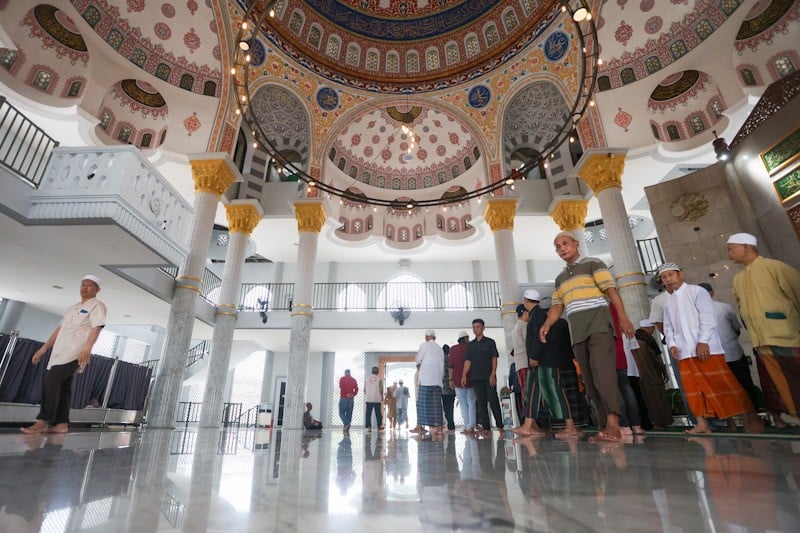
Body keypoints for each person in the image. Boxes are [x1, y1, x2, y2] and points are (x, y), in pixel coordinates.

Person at [539, 231, 635, 442]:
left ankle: (614, 424)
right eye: (557, 246)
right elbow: (557, 306)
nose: (562, 248)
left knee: (603, 373)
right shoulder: (560, 278)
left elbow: (611, 292)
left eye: (565, 243)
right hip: (578, 331)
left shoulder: (593, 263)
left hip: (599, 325)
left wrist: (623, 318)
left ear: (576, 244)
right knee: (590, 379)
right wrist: (547, 324)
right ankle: (603, 426)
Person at [659, 263, 763, 434]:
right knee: (694, 390)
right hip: (685, 353)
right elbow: (668, 327)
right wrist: (672, 345)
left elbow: (707, 317)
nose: (668, 279)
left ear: (681, 275)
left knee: (724, 385)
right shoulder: (669, 302)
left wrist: (703, 341)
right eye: (664, 277)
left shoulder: (696, 292)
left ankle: (750, 418)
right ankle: (702, 423)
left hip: (706, 350)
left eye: (671, 275)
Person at [728, 232, 800, 422]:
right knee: (783, 387)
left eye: (731, 248)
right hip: (762, 341)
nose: (729, 253)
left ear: (746, 246)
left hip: (788, 338)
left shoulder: (775, 268)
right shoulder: (738, 279)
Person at [21, 275, 106, 435]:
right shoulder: (72, 308)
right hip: (59, 350)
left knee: (50, 380)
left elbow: (96, 327)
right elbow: (59, 329)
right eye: (83, 284)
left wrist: (87, 348)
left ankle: (43, 420)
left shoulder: (97, 306)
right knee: (63, 385)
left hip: (76, 351)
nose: (85, 287)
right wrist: (43, 349)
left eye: (90, 285)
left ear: (97, 289)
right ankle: (61, 424)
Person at [698, 282, 760, 429]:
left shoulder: (722, 308)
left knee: (736, 387)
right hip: (724, 355)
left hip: (726, 355)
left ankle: (738, 420)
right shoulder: (710, 310)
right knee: (740, 386)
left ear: (712, 293)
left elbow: (735, 328)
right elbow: (736, 329)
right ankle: (747, 419)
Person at [462, 318, 504, 433]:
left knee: (493, 400)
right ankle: (486, 428)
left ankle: (500, 426)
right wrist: (464, 375)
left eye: (478, 327)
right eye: (474, 327)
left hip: (489, 377)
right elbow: (467, 361)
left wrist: (493, 374)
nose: (476, 329)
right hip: (476, 378)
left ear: (483, 328)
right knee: (481, 402)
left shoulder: (490, 342)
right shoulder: (470, 345)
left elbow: (494, 358)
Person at [633, 320, 674, 429]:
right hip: (652, 374)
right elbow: (657, 359)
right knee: (657, 398)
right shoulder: (648, 339)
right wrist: (664, 371)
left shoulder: (632, 338)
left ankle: (648, 422)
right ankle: (660, 423)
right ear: (649, 328)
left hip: (638, 376)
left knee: (645, 399)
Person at [411, 330, 445, 436]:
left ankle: (421, 426)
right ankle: (438, 427)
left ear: (426, 337)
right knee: (436, 404)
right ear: (434, 337)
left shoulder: (424, 345)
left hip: (426, 380)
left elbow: (417, 359)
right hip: (437, 380)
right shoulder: (440, 349)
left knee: (423, 404)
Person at [448, 331, 475, 433]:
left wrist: (450, 379)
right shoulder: (471, 347)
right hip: (471, 379)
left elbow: (450, 366)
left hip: (457, 380)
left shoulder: (453, 349)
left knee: (463, 403)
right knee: (471, 402)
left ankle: (466, 425)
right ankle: (471, 426)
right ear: (466, 338)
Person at [441, 344, 456, 433]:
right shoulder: (451, 360)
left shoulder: (440, 361)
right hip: (452, 387)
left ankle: (449, 425)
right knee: (451, 407)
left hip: (443, 389)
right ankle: (451, 424)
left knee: (446, 408)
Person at [365, 366, 384, 431]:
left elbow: (364, 389)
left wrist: (367, 394)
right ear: (378, 372)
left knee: (368, 414)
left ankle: (369, 427)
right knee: (378, 414)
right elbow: (381, 389)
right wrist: (382, 397)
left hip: (368, 398)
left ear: (371, 371)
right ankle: (379, 426)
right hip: (377, 398)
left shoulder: (367, 379)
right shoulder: (379, 379)